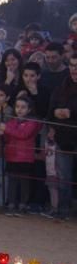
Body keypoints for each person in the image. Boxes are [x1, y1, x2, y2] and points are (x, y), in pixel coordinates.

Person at [48, 54, 77, 220]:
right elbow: (50, 111)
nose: (74, 69)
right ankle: (64, 208)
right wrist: (55, 113)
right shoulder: (60, 88)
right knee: (64, 176)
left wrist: (71, 113)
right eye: (72, 65)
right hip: (64, 137)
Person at [0, 94, 39, 216]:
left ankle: (23, 205)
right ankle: (11, 204)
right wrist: (2, 133)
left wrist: (6, 129)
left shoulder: (32, 122)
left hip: (25, 158)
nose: (20, 110)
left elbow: (23, 135)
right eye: (17, 107)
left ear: (29, 109)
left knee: (24, 183)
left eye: (23, 107)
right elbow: (8, 138)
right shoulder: (11, 122)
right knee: (12, 181)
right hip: (11, 156)